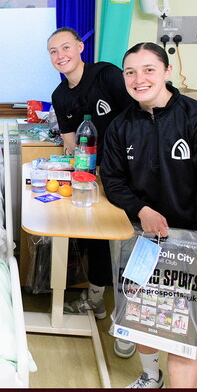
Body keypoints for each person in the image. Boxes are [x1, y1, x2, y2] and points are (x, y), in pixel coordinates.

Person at [100, 41, 197, 388]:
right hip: (144, 240)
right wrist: (142, 211)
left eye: (148, 70)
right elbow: (112, 180)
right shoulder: (120, 127)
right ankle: (149, 376)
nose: (139, 79)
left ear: (167, 72)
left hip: (192, 244)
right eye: (130, 72)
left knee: (182, 334)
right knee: (143, 318)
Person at [47, 27, 133, 354]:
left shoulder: (106, 76)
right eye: (53, 52)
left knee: (127, 238)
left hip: (127, 171)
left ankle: (128, 313)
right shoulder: (59, 96)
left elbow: (136, 117)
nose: (60, 56)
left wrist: (114, 164)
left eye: (66, 47)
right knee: (89, 232)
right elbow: (71, 146)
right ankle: (96, 299)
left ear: (80, 47)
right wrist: (73, 173)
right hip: (91, 177)